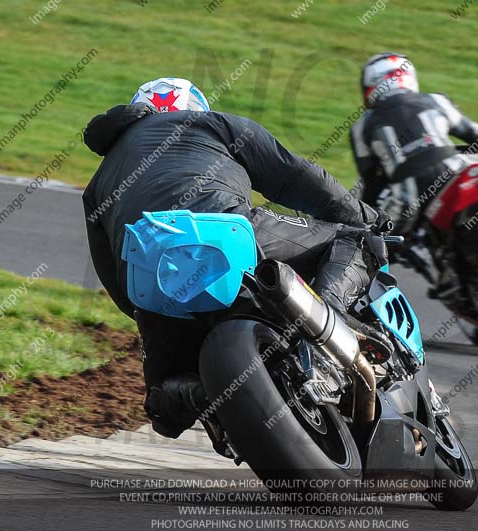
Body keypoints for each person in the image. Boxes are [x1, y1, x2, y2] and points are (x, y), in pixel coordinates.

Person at [82, 77, 388, 440]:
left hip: (152, 280)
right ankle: (331, 323)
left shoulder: (98, 182)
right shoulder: (211, 123)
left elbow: (114, 278)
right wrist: (369, 219)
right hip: (224, 232)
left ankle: (199, 396)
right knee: (359, 241)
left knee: (164, 407)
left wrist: (150, 314)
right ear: (197, 106)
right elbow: (297, 178)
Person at [349, 52, 478, 237]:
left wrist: (369, 223)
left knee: (373, 244)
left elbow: (370, 184)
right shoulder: (435, 100)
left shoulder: (360, 126)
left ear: (371, 85)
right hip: (452, 168)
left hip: (406, 195)